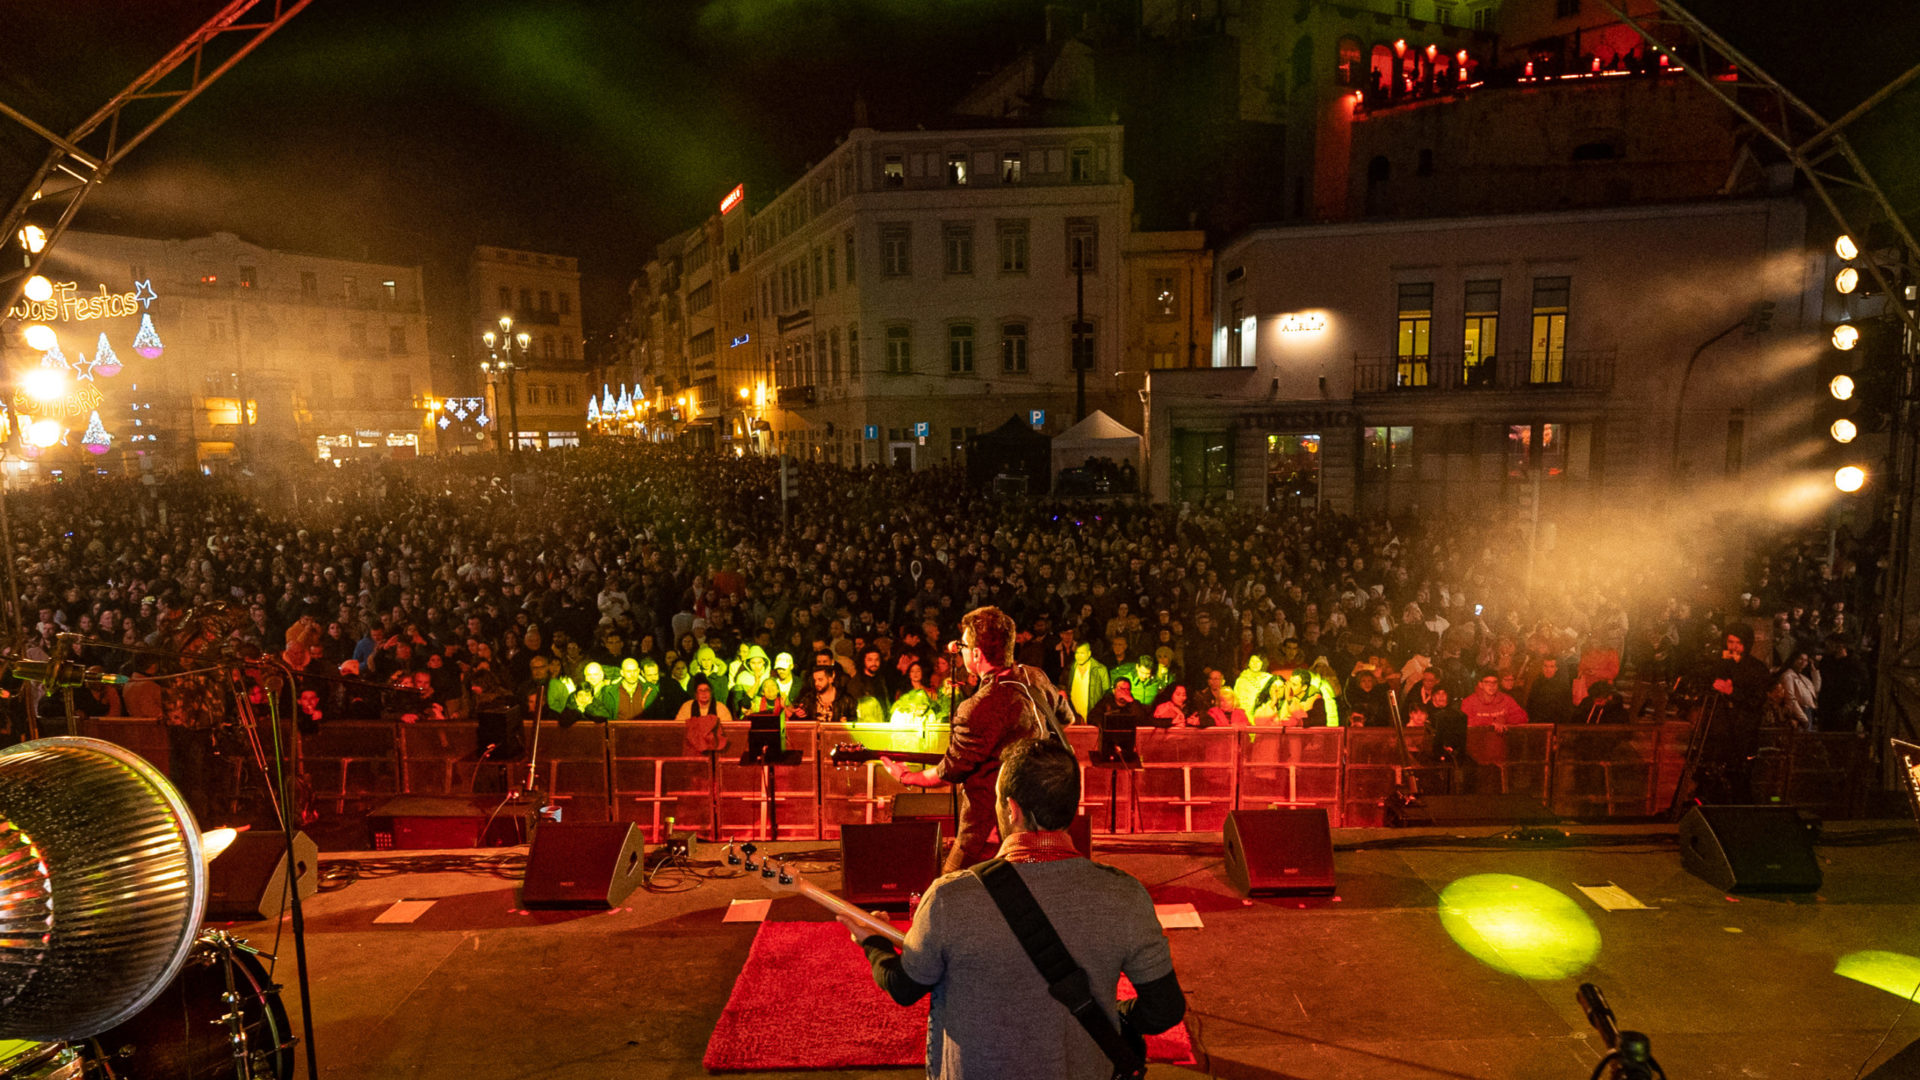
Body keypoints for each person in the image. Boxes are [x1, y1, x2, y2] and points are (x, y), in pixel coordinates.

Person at [847, 737, 1186, 1080]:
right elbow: (1164, 1009)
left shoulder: (951, 897)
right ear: (1070, 805)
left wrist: (872, 942)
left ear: (1012, 808)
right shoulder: (1124, 895)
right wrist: (1113, 1014)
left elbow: (905, 986)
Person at [884, 606, 1072, 872]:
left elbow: (949, 772)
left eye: (963, 645)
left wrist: (906, 777)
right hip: (1039, 823)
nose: (959, 650)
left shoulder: (979, 707)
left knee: (945, 898)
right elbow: (1066, 717)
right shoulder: (1035, 677)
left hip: (989, 831)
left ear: (976, 654)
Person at [677, 675, 731, 754]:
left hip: (715, 751)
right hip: (692, 750)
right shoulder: (687, 706)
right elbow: (678, 728)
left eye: (707, 690)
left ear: (711, 692)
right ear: (695, 694)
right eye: (700, 690)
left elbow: (728, 731)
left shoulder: (720, 707)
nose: (704, 693)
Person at [1523, 654, 1575, 726]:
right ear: (1542, 667)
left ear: (1556, 668)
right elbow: (1530, 705)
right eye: (1545, 666)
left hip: (1557, 725)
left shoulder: (1563, 685)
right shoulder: (1537, 683)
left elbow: (1567, 710)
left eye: (1551, 666)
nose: (1548, 669)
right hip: (1538, 724)